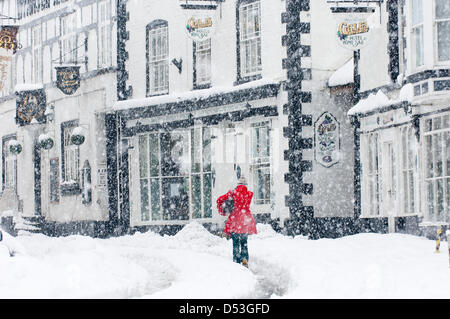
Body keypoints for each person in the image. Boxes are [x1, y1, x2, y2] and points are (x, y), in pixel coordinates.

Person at [217, 175, 257, 268]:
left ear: (238, 184)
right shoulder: (249, 194)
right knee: (244, 242)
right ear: (246, 185)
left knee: (235, 242)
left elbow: (219, 200)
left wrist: (222, 210)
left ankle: (236, 261)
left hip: (235, 220)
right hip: (246, 220)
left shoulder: (232, 193)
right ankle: (245, 258)